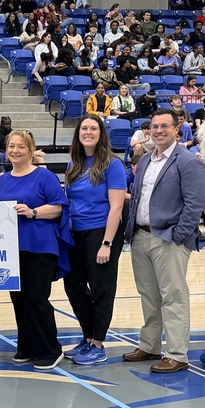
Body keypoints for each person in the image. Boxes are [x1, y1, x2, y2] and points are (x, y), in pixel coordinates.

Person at [123, 108, 205, 373]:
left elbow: (195, 205)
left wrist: (179, 237)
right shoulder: (146, 159)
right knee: (148, 294)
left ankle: (177, 353)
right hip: (141, 236)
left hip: (169, 238)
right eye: (154, 127)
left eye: (164, 126)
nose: (158, 131)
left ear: (177, 130)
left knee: (173, 296)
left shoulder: (188, 161)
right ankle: (149, 344)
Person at [0, 129, 72, 370]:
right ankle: (25, 345)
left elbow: (59, 206)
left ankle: (50, 348)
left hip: (39, 245)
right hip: (12, 248)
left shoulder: (43, 177)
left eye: (21, 147)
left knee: (36, 297)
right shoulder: (2, 180)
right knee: (18, 298)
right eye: (11, 147)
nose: (15, 151)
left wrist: (33, 212)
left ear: (30, 150)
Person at [61, 116, 127, 366]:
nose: (88, 132)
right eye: (84, 128)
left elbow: (117, 206)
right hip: (75, 233)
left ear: (101, 133)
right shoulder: (74, 164)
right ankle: (87, 337)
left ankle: (98, 344)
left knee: (101, 288)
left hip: (101, 232)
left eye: (93, 128)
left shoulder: (112, 164)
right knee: (74, 286)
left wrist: (107, 243)